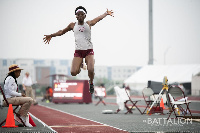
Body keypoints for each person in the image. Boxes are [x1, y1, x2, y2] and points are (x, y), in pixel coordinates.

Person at [43, 6, 114, 94]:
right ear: (76, 16)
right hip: (79, 52)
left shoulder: (89, 23)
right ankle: (80, 65)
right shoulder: (72, 25)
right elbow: (61, 32)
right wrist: (51, 35)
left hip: (89, 51)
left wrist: (106, 13)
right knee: (73, 72)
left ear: (85, 15)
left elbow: (98, 19)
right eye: (78, 15)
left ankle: (91, 83)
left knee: (91, 69)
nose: (80, 16)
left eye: (82, 14)